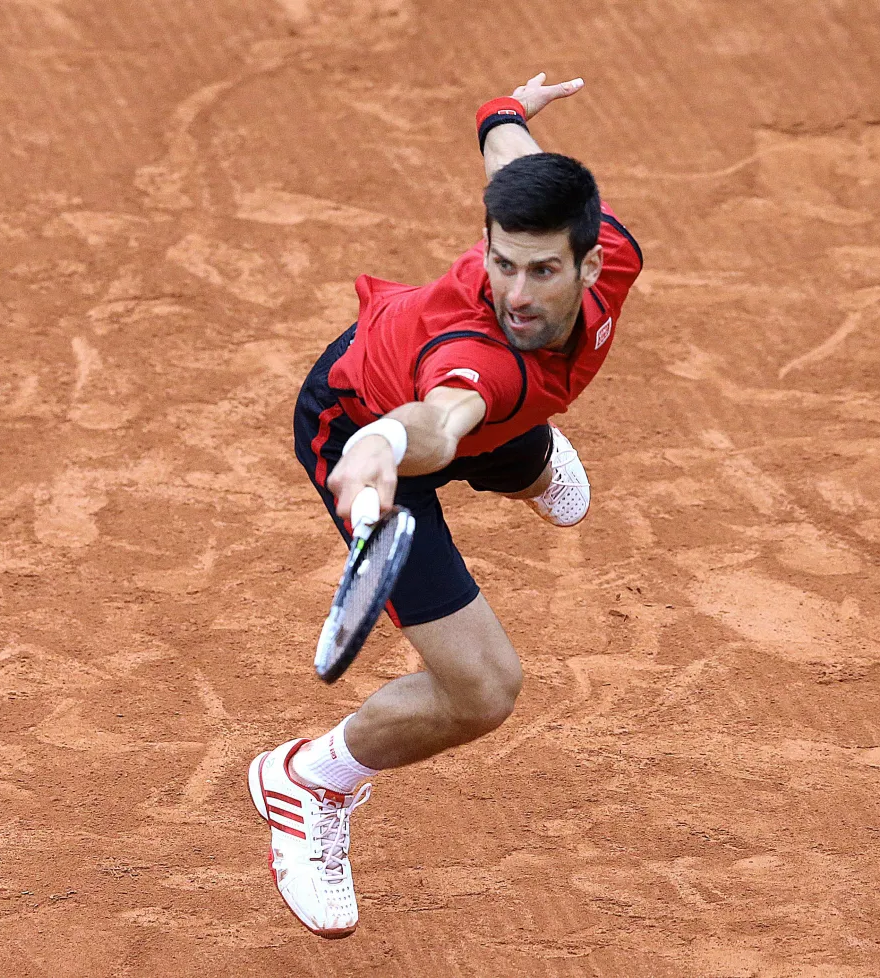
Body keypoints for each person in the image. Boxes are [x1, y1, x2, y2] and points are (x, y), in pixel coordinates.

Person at [247, 72, 644, 938]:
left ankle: (526, 457)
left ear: (594, 260)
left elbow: (509, 152)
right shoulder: (482, 357)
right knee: (483, 689)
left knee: (514, 428)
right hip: (370, 424)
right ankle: (311, 778)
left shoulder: (612, 252)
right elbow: (443, 418)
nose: (517, 293)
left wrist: (502, 111)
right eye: (501, 264)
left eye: (542, 269)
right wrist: (384, 446)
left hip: (490, 417)